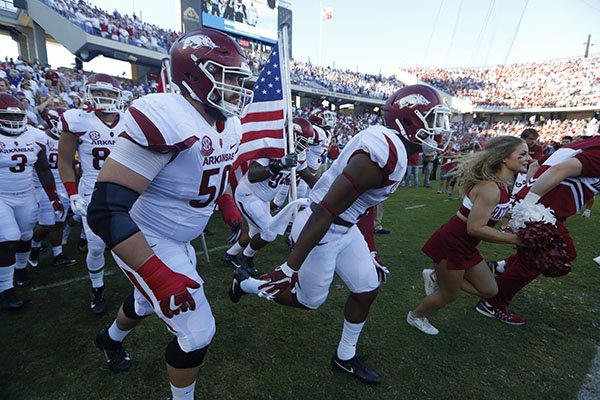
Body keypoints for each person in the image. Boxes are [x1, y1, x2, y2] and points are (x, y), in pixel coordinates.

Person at [229, 84, 452, 384]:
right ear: (409, 121)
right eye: (434, 120)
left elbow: (365, 205)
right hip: (319, 227)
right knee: (308, 301)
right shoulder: (382, 154)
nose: (441, 130)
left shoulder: (395, 150)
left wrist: (370, 250)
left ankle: (344, 356)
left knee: (367, 288)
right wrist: (288, 267)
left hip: (345, 227)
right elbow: (325, 210)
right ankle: (246, 284)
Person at [86, 28, 253, 400]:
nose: (237, 89)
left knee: (144, 302)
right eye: (229, 78)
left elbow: (213, 171)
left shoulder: (231, 123)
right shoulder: (166, 116)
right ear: (195, 75)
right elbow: (106, 209)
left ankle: (108, 339)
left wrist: (226, 205)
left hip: (181, 235)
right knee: (197, 331)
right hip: (148, 234)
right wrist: (158, 274)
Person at [406, 136, 531, 335]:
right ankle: (416, 316)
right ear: (504, 158)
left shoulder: (502, 185)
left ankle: (437, 275)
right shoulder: (491, 188)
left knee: (490, 290)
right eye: (522, 154)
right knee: (449, 295)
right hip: (452, 243)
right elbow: (476, 228)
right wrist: (515, 240)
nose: (529, 158)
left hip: (467, 246)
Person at [475, 135, 600, 325]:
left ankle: (501, 267)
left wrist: (526, 194)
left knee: (559, 254)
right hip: (542, 211)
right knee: (542, 260)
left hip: (540, 206)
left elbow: (534, 166)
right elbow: (561, 169)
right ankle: (493, 302)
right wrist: (530, 203)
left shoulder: (582, 143)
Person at [58, 73, 126, 315]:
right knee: (96, 246)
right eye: (99, 92)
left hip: (129, 190)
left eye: (110, 93)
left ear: (119, 96)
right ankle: (97, 288)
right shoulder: (78, 120)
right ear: (89, 93)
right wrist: (72, 193)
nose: (104, 97)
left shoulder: (130, 121)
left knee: (136, 241)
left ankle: (143, 281)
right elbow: (64, 161)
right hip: (93, 191)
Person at [221, 117, 318, 276]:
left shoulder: (299, 156)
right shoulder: (271, 147)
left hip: (263, 198)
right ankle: (246, 256)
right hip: (248, 194)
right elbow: (253, 175)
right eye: (303, 140)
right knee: (269, 232)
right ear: (291, 135)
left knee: (255, 232)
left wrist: (328, 190)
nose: (306, 145)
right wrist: (279, 164)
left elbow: (309, 177)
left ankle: (229, 255)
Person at [0, 94, 64, 310]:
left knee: (26, 236)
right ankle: (5, 288)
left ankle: (19, 270)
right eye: (7, 116)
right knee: (9, 238)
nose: (13, 121)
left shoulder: (35, 136)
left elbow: (43, 170)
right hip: (2, 196)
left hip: (26, 193)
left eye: (17, 116)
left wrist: (53, 197)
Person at [28, 108, 77, 268]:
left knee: (59, 223)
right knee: (47, 224)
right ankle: (33, 247)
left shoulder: (69, 138)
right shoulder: (41, 138)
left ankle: (58, 254)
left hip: (63, 184)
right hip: (43, 187)